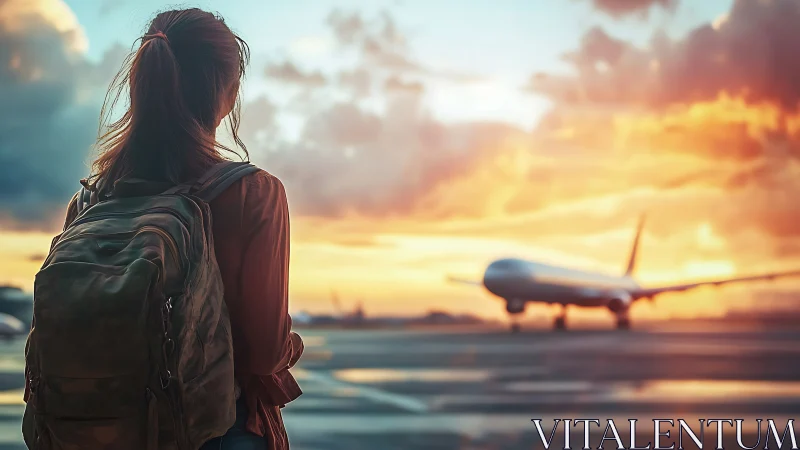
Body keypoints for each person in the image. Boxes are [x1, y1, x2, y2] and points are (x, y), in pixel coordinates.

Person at [57, 8, 303, 450]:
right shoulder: (254, 193)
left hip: (97, 433)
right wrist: (291, 345)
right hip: (213, 432)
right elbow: (266, 354)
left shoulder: (89, 202)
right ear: (227, 93)